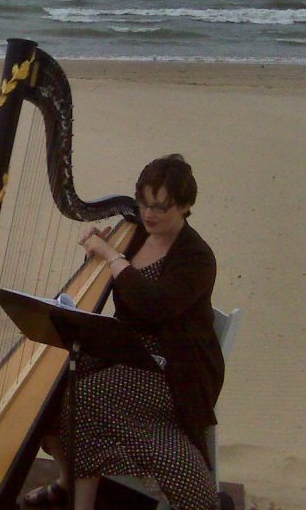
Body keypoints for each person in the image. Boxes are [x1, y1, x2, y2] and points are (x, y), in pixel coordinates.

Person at [23, 154, 225, 510]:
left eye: (161, 207)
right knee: (49, 384)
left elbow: (153, 305)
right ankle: (68, 481)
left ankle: (81, 497)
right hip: (123, 350)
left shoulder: (196, 257)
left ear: (185, 206)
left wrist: (112, 257)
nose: (149, 214)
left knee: (83, 397)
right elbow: (113, 289)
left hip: (170, 368)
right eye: (145, 203)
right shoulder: (134, 236)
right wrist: (97, 254)